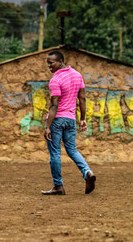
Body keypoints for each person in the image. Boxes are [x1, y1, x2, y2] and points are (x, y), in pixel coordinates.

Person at [41, 50, 96, 195]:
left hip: (57, 120)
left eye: (51, 63)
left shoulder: (55, 80)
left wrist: (47, 127)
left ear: (60, 61)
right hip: (71, 120)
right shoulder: (77, 75)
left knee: (55, 153)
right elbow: (82, 99)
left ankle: (58, 186)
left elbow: (54, 106)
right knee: (72, 150)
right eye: (48, 63)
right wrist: (82, 119)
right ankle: (87, 172)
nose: (49, 66)